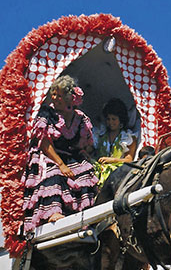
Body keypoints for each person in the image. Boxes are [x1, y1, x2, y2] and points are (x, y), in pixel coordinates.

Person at [22, 75, 98, 231]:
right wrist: (61, 164)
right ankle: (53, 213)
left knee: (85, 171)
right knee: (55, 172)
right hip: (48, 154)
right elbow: (43, 143)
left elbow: (84, 143)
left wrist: (84, 154)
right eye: (53, 93)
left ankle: (84, 214)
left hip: (68, 156)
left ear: (69, 98)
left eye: (59, 95)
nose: (54, 98)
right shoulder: (47, 114)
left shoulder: (80, 118)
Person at [93, 98, 137, 188]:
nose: (110, 122)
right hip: (98, 171)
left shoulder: (128, 137)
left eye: (114, 119)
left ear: (121, 119)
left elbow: (129, 160)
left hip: (118, 173)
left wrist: (112, 160)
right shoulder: (101, 135)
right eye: (108, 119)